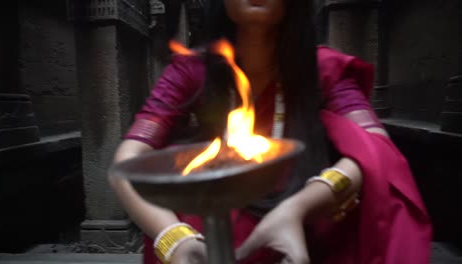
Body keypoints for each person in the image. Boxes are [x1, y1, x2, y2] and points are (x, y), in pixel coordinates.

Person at [109, 0, 432, 263]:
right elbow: (128, 161)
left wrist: (300, 206)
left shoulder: (324, 68)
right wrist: (173, 239)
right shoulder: (191, 69)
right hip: (216, 220)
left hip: (308, 214)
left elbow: (376, 146)